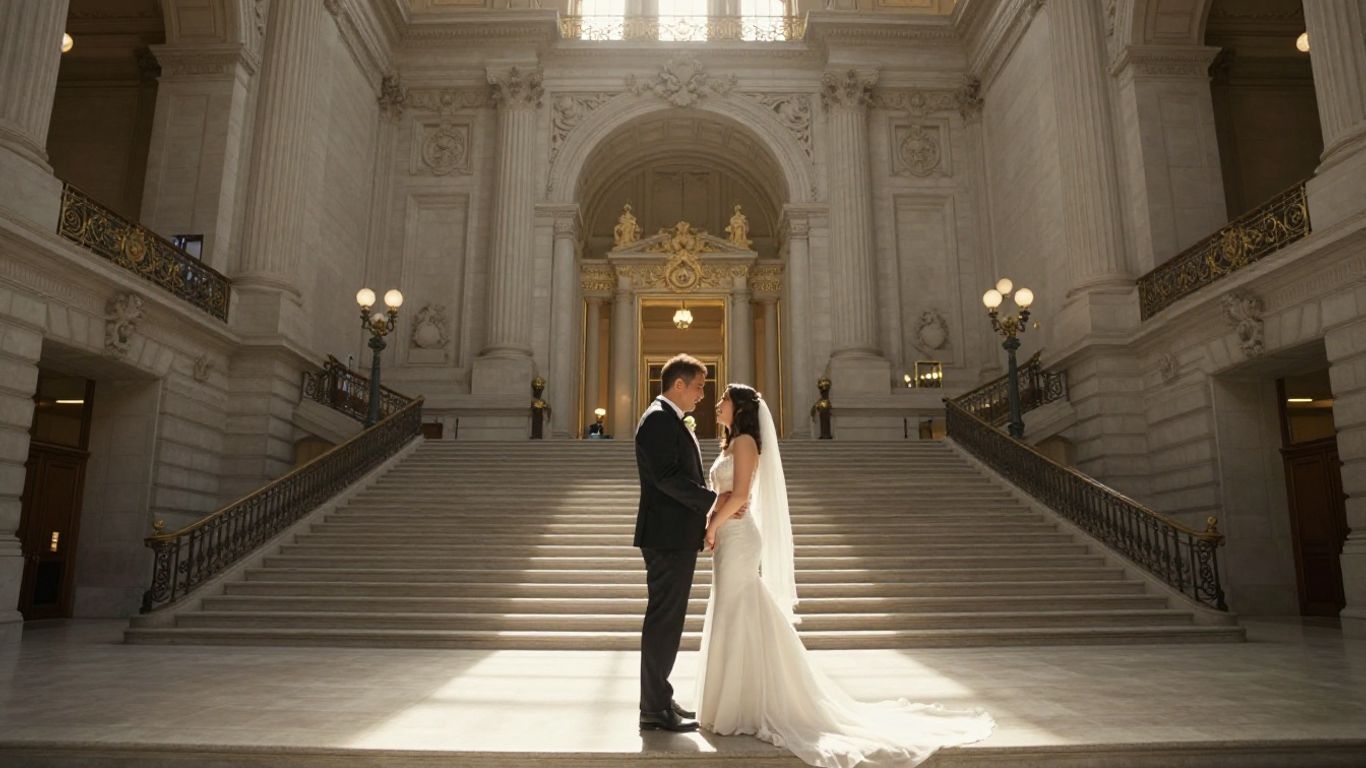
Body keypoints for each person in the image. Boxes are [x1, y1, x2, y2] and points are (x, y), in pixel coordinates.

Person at [696, 383, 994, 767]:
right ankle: (733, 701)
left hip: (738, 537)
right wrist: (715, 516)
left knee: (740, 610)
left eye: (723, 399)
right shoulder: (730, 443)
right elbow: (723, 494)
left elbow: (739, 496)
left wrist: (711, 527)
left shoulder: (746, 444)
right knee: (731, 611)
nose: (717, 404)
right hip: (729, 536)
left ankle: (746, 704)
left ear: (738, 408)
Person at [633, 353, 726, 732]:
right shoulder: (657, 419)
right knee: (663, 623)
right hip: (666, 536)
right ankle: (653, 709)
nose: (703, 395)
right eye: (700, 386)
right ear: (678, 385)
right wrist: (712, 502)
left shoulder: (667, 417)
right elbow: (666, 478)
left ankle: (659, 698)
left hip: (673, 534)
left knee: (668, 622)